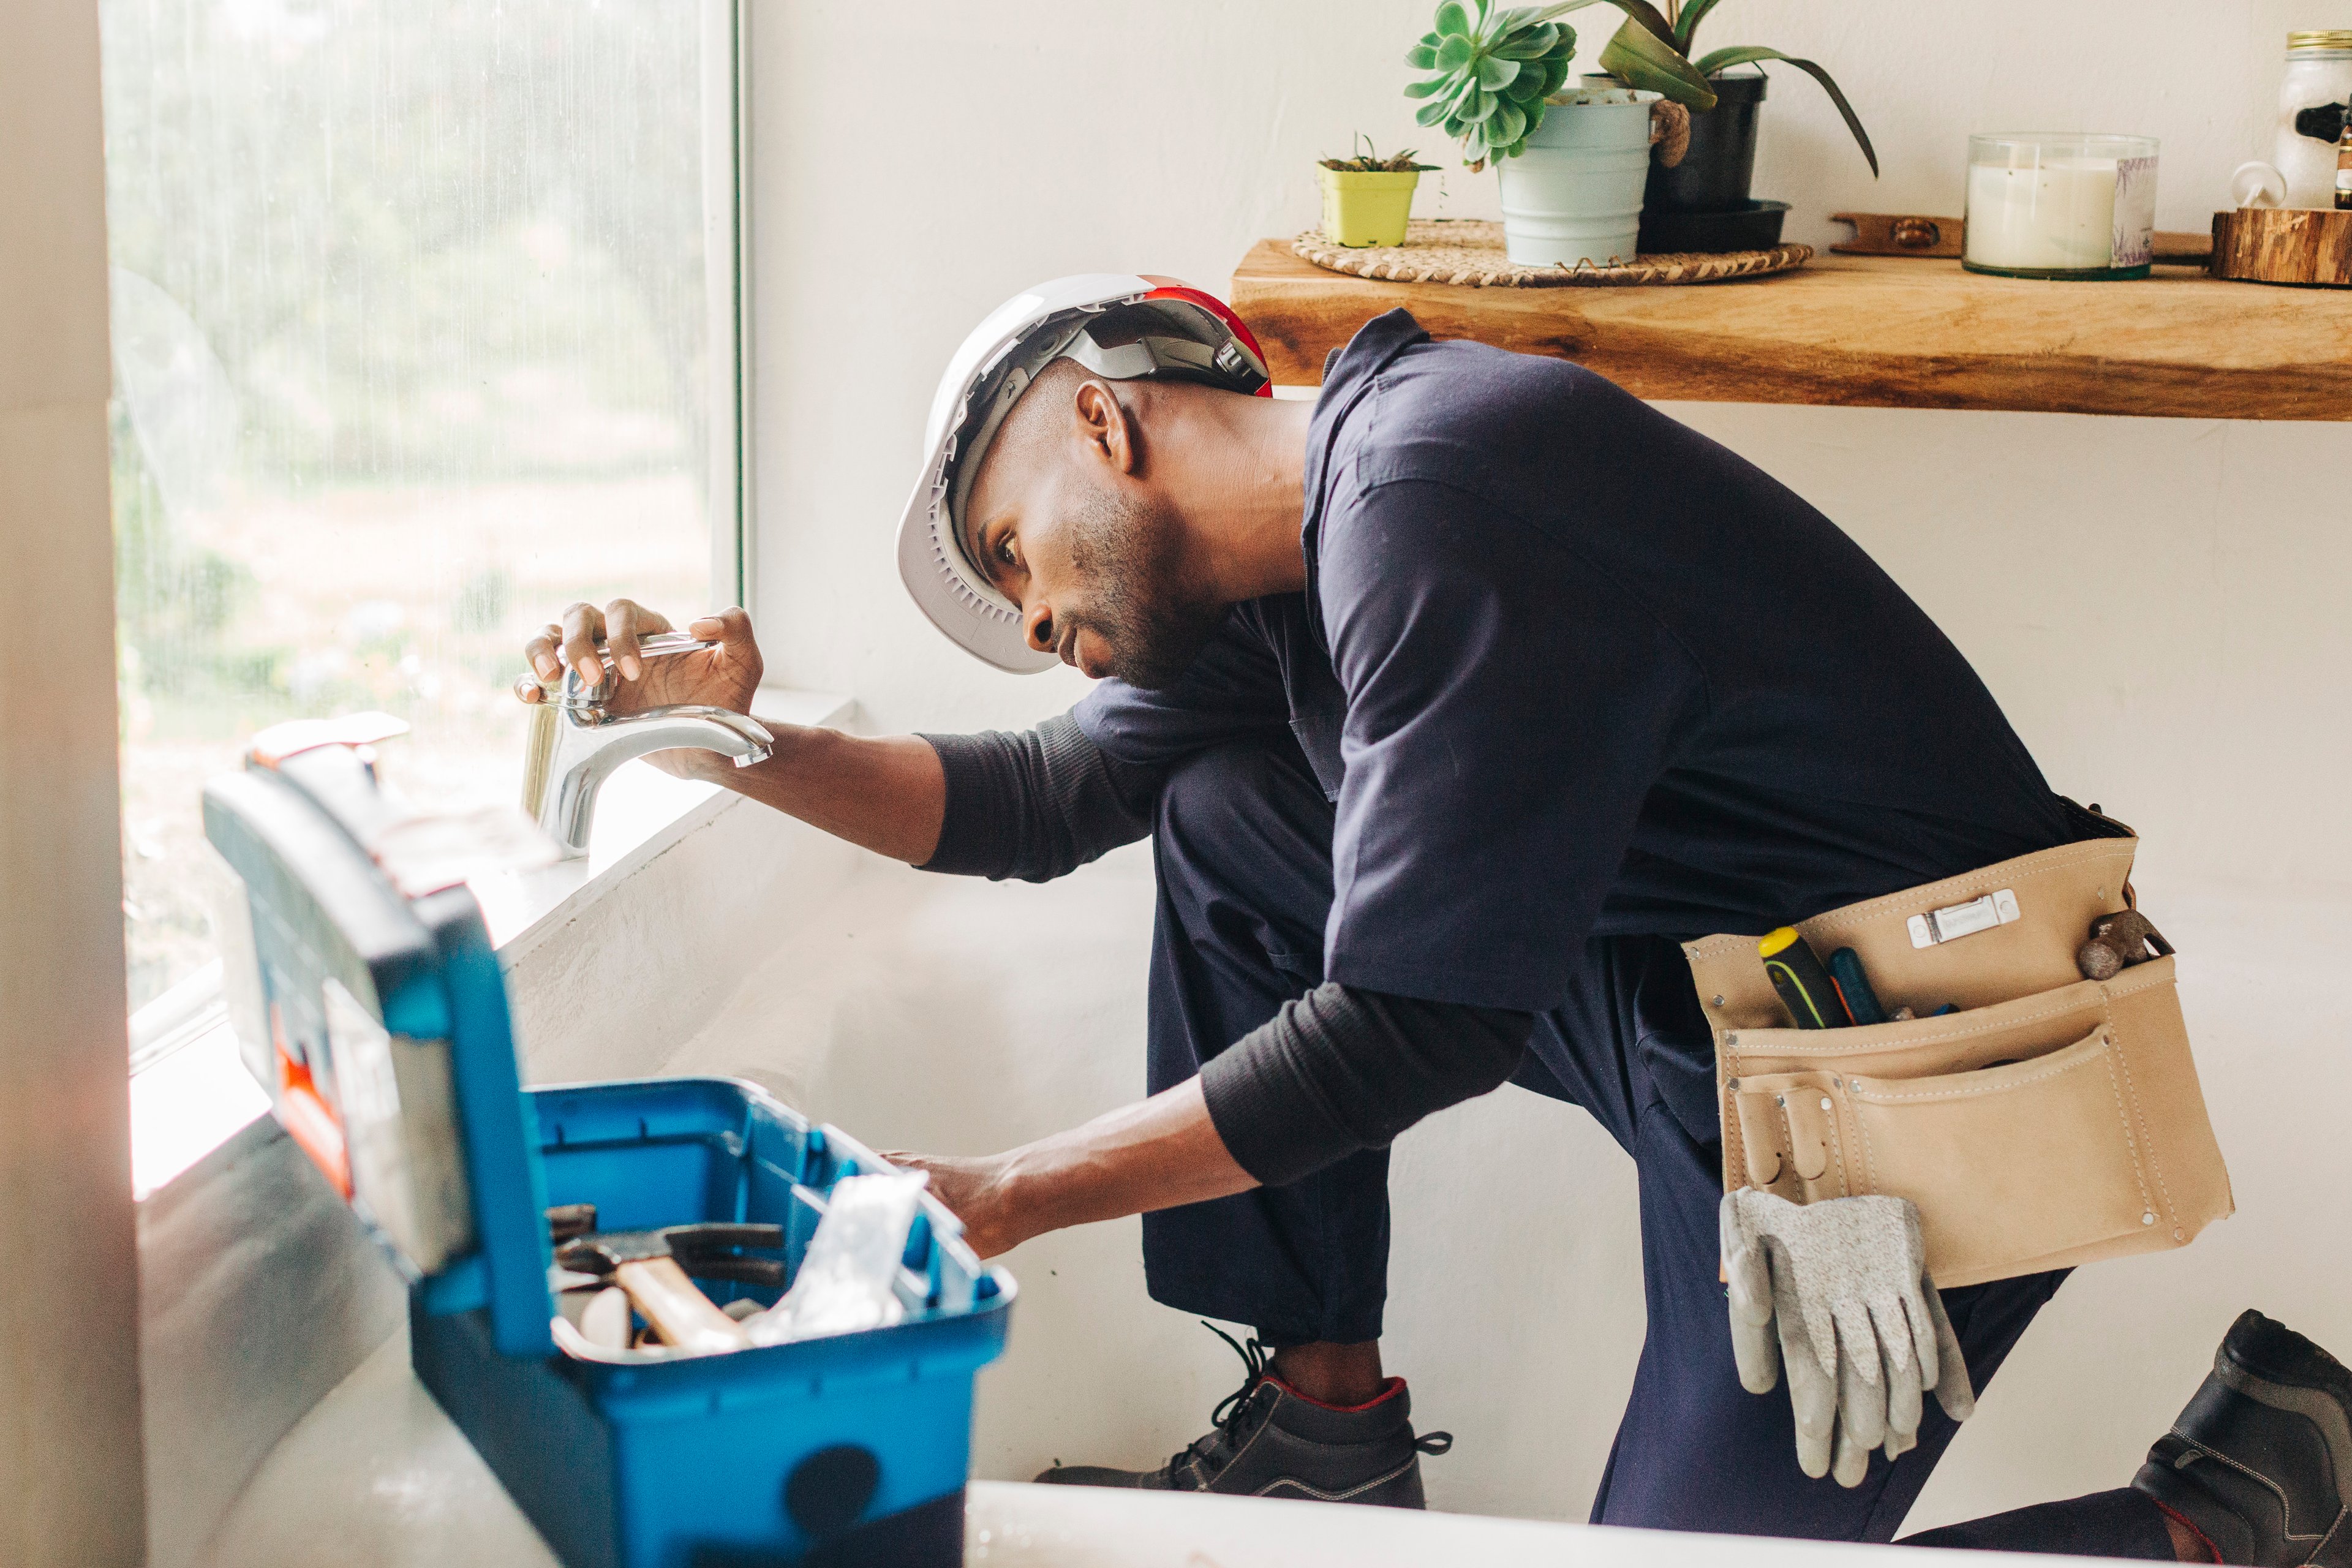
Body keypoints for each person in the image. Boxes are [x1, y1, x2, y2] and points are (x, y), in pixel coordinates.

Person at [519, 279, 2350, 1562]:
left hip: (1916, 1078)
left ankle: (2232, 1506)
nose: (1029, 623)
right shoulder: (1286, 586)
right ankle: (1330, 1433)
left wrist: (1003, 1191)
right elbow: (1025, 807)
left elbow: (1418, 1023)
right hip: (1713, 1033)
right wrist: (718, 736)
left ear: (1105, 419)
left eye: (1014, 552)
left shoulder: (1447, 487)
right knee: (1233, 818)